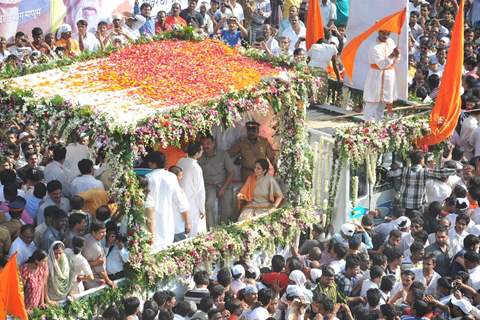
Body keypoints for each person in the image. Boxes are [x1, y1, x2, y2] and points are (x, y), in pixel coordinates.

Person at [145, 151, 189, 250]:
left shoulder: (148, 178)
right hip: (167, 221)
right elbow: (180, 202)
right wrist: (187, 221)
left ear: (153, 163)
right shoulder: (171, 177)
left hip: (152, 221)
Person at [363, 30, 400, 122]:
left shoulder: (391, 42)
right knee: (372, 102)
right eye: (384, 33)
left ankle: (378, 126)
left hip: (389, 77)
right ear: (379, 32)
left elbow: (396, 61)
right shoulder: (374, 47)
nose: (386, 36)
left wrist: (397, 55)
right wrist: (392, 55)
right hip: (376, 77)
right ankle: (366, 126)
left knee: (383, 103)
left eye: (388, 34)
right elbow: (381, 65)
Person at [199, 134, 235, 228]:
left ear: (214, 143)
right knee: (208, 204)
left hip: (224, 184)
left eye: (208, 143)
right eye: (203, 144)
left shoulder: (222, 154)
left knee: (227, 207)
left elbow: (231, 172)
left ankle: (226, 228)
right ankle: (211, 230)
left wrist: (223, 188)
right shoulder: (200, 157)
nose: (206, 146)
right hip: (209, 186)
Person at [177, 142, 207, 237]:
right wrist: (202, 209)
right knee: (193, 232)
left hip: (179, 201)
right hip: (192, 203)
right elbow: (200, 191)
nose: (203, 152)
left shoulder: (180, 161)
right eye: (201, 150)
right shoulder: (196, 168)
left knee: (181, 229)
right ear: (197, 153)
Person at [82, 222, 115, 289]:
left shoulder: (87, 236)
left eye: (105, 232)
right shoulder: (96, 248)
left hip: (87, 279)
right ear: (93, 232)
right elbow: (100, 270)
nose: (104, 234)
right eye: (101, 232)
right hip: (95, 282)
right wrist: (108, 281)